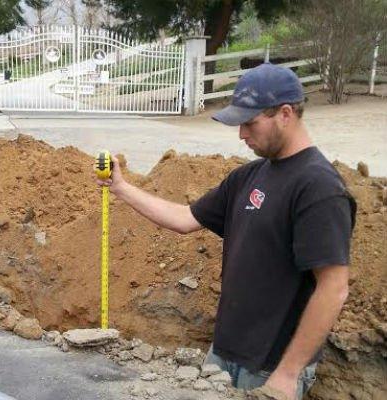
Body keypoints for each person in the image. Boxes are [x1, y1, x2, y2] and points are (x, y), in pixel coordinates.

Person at [95, 63, 356, 400]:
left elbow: (333, 289)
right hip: (222, 356)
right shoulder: (248, 176)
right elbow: (185, 219)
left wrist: (288, 375)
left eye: (249, 123)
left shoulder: (319, 187)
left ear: (285, 114)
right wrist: (121, 188)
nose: (241, 134)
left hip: (268, 369)